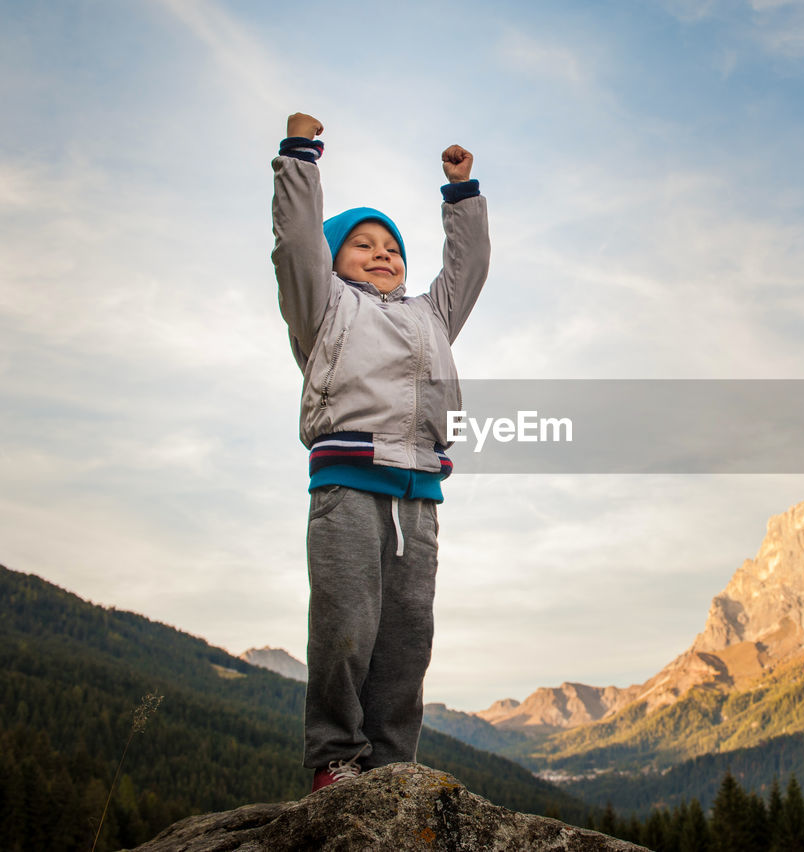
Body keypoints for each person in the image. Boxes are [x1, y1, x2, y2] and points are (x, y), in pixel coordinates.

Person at [271, 112, 490, 793]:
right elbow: (295, 245)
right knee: (345, 625)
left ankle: (394, 765)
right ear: (331, 263)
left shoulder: (432, 315)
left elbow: (469, 266)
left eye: (391, 244)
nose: (382, 252)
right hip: (348, 485)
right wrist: (300, 159)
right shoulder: (325, 310)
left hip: (418, 492)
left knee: (405, 637)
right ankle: (336, 758)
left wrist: (462, 194)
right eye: (361, 244)